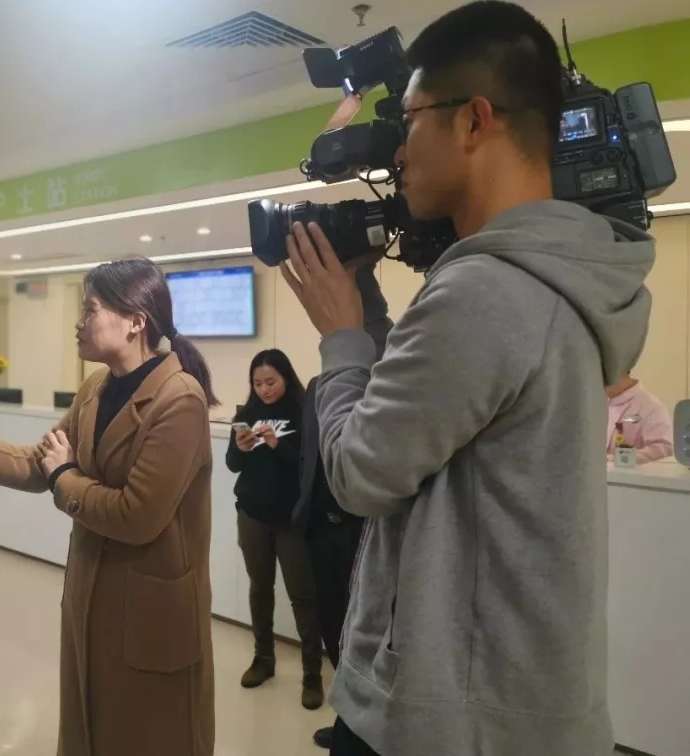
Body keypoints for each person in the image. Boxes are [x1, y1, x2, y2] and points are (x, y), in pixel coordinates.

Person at [282, 3, 655, 755]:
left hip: (444, 723)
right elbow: (423, 427)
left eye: (409, 120)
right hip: (516, 709)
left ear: (474, 120)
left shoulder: (484, 292)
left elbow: (359, 474)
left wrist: (340, 338)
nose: (398, 151)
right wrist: (368, 311)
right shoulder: (558, 279)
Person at [0, 257, 216, 756]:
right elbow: (39, 463)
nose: (79, 322)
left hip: (151, 610)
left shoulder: (179, 399)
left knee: (148, 736)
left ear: (136, 320)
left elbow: (137, 515)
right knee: (89, 729)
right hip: (92, 595)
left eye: (90, 309)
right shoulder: (96, 388)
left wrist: (64, 477)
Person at [291, 265, 391, 749]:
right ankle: (345, 714)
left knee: (362, 633)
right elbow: (311, 456)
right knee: (332, 623)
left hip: (363, 533)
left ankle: (359, 723)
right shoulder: (320, 386)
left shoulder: (389, 380)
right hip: (321, 529)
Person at [226, 349, 323, 709]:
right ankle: (263, 659)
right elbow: (233, 465)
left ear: (285, 378)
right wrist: (241, 448)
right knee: (259, 589)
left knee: (303, 595)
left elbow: (309, 467)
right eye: (257, 383)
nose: (264, 389)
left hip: (291, 520)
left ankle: (312, 673)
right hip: (252, 515)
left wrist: (277, 444)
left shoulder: (305, 413)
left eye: (271, 381)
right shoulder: (246, 415)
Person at [606, 372, 673, 463]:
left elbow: (662, 451)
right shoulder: (602, 404)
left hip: (632, 472)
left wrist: (613, 459)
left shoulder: (651, 407)